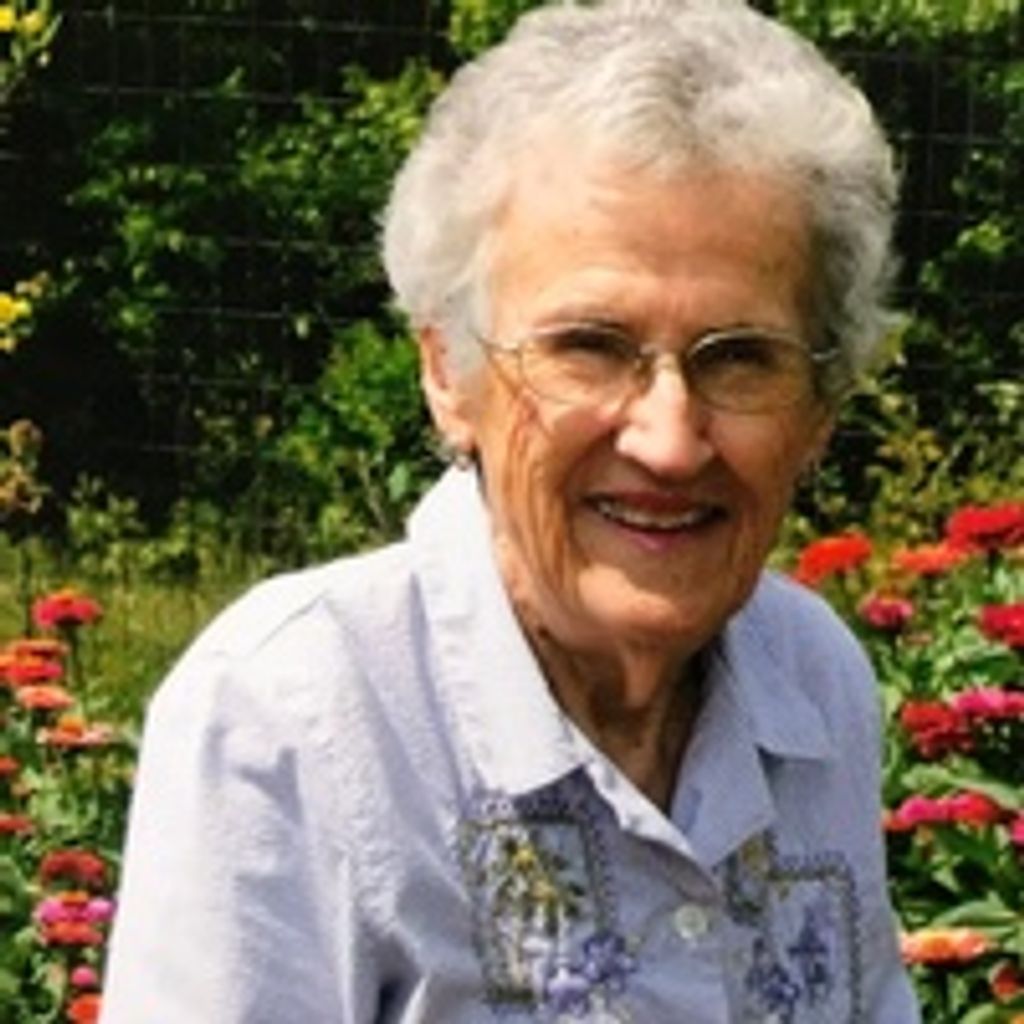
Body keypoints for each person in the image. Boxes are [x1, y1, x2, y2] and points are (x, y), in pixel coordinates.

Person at [100, 1, 921, 1020]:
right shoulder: (294, 717)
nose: (669, 440)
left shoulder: (812, 680)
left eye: (741, 357)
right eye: (590, 346)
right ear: (449, 374)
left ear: (820, 409)